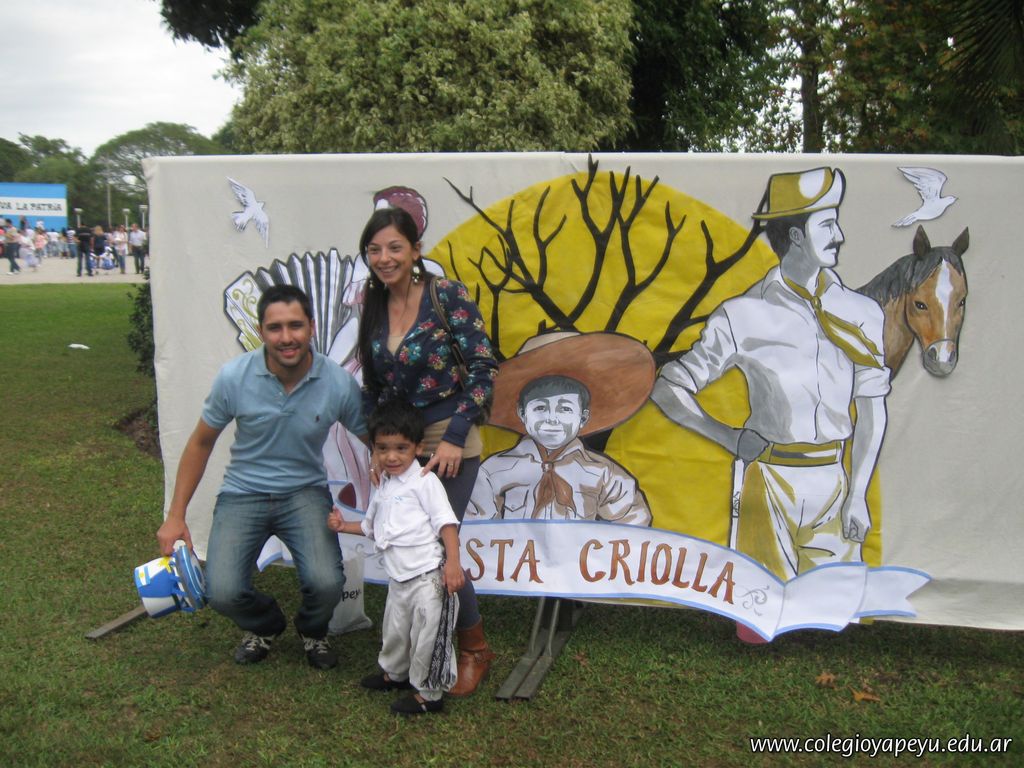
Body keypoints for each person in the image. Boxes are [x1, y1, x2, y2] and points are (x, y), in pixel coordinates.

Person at [651, 168, 890, 588]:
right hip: (768, 481)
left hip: (833, 481)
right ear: (796, 235)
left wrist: (858, 495)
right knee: (759, 601)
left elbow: (872, 408)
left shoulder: (862, 313)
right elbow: (668, 387)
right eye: (827, 225)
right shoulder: (744, 314)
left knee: (832, 602)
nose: (839, 236)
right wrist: (727, 437)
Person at [156, 284, 367, 668]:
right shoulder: (234, 377)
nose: (286, 337)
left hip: (305, 492)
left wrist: (407, 470)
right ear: (261, 331)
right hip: (243, 493)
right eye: (275, 327)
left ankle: (312, 630)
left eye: (295, 326)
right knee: (221, 592)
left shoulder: (337, 382)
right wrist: (175, 516)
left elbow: (374, 438)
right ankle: (265, 624)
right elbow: (201, 443)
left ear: (312, 327)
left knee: (327, 584)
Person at [356, 206, 499, 696]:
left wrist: (456, 434)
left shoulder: (447, 295)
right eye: (374, 249)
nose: (384, 257)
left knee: (437, 549)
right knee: (418, 549)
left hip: (448, 434)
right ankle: (411, 653)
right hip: (401, 441)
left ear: (416, 250)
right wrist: (377, 448)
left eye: (395, 247)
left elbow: (483, 367)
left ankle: (474, 648)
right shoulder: (373, 303)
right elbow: (373, 385)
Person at [329, 400, 464, 715]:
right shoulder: (384, 485)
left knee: (428, 637)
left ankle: (429, 695)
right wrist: (343, 526)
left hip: (429, 578)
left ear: (418, 447)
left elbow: (446, 524)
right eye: (382, 448)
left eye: (401, 448)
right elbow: (372, 527)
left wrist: (453, 565)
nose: (391, 456)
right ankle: (395, 674)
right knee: (395, 631)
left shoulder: (425, 482)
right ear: (374, 450)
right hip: (398, 579)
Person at [468, 333, 653, 525]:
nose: (552, 419)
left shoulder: (604, 473)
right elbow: (474, 527)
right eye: (540, 408)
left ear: (583, 418)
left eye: (565, 409)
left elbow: (634, 523)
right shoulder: (494, 470)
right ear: (522, 414)